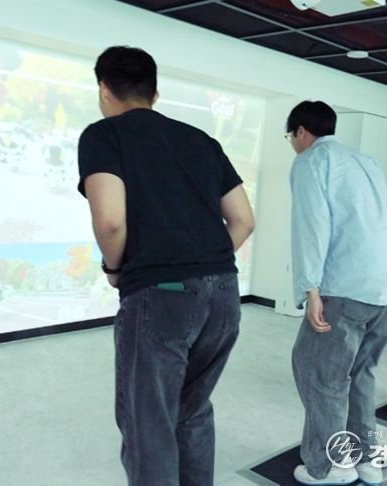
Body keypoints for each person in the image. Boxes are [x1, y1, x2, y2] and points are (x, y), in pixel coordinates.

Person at [77, 46, 254, 486]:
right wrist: (207, 266)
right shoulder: (201, 140)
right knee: (193, 411)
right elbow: (244, 220)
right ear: (154, 93)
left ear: (104, 89)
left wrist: (115, 270)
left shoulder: (103, 135)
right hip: (224, 294)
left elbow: (110, 221)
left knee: (149, 424)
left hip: (161, 294)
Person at [287, 101, 387, 486]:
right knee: (360, 373)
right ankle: (367, 460)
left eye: (290, 136)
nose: (292, 143)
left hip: (348, 287)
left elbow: (312, 226)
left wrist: (310, 289)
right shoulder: (365, 160)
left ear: (301, 132)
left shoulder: (311, 161)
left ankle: (330, 465)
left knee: (318, 371)